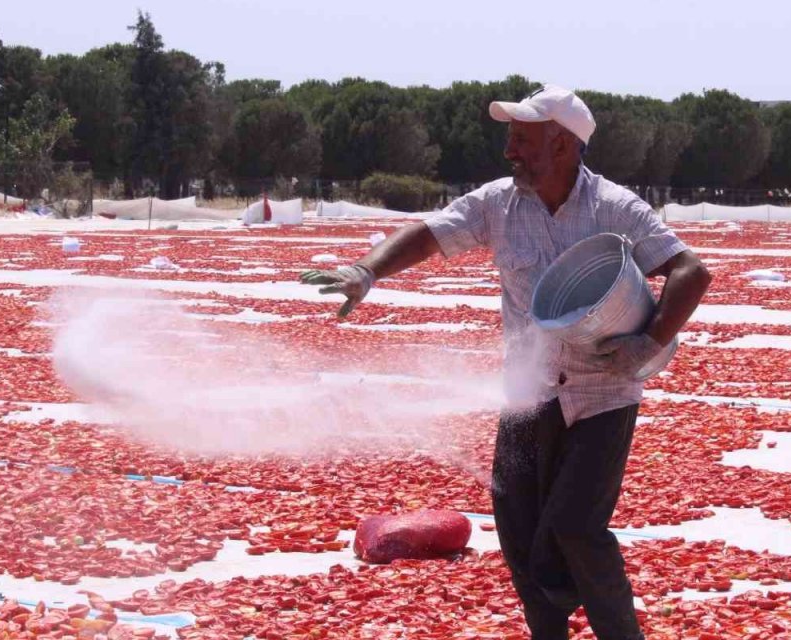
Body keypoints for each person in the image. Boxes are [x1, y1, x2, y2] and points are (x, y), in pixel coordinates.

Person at [300, 85, 711, 640]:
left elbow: (690, 271)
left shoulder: (615, 207)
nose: (510, 151)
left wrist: (651, 339)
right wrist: (366, 271)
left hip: (602, 392)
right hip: (529, 391)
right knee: (518, 531)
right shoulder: (498, 202)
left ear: (563, 144)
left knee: (575, 528)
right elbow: (429, 233)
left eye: (522, 139)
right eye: (511, 138)